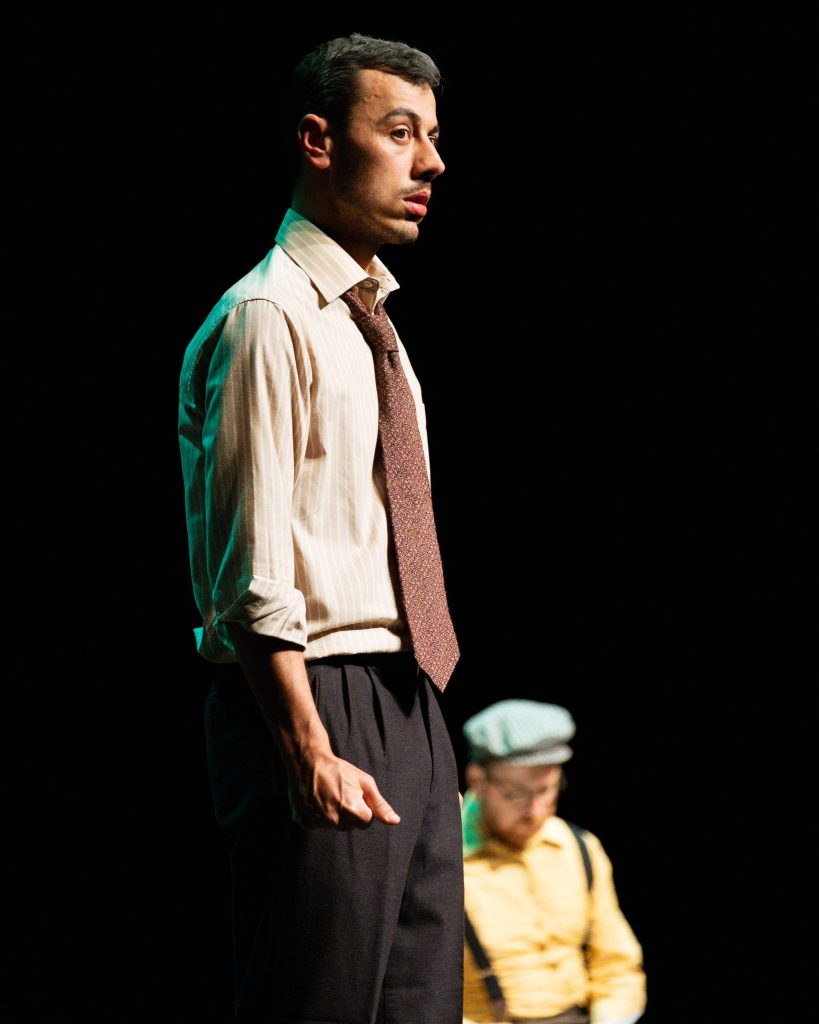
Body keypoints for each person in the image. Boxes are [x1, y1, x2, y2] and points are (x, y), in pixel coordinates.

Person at [178, 34, 463, 1024]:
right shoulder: (269, 315)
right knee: (321, 1001)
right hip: (317, 695)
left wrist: (419, 727)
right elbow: (247, 560)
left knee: (421, 1005)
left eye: (432, 137)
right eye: (398, 133)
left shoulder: (369, 323)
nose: (430, 162)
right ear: (319, 139)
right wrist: (305, 743)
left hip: (407, 693)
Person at [460, 700, 646, 1024]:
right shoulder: (443, 860)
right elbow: (414, 989)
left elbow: (617, 968)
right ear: (477, 779)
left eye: (547, 790)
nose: (535, 810)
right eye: (514, 794)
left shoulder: (579, 847)